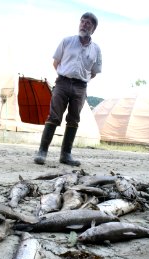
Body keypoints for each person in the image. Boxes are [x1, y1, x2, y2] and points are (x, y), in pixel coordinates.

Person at [34, 12, 102, 166]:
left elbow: (94, 72)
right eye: (82, 21)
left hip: (80, 87)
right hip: (62, 83)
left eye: (88, 23)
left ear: (93, 28)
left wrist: (81, 81)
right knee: (54, 116)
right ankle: (42, 152)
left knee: (73, 119)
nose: (84, 25)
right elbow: (56, 62)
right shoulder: (67, 41)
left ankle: (66, 155)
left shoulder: (96, 50)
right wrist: (65, 76)